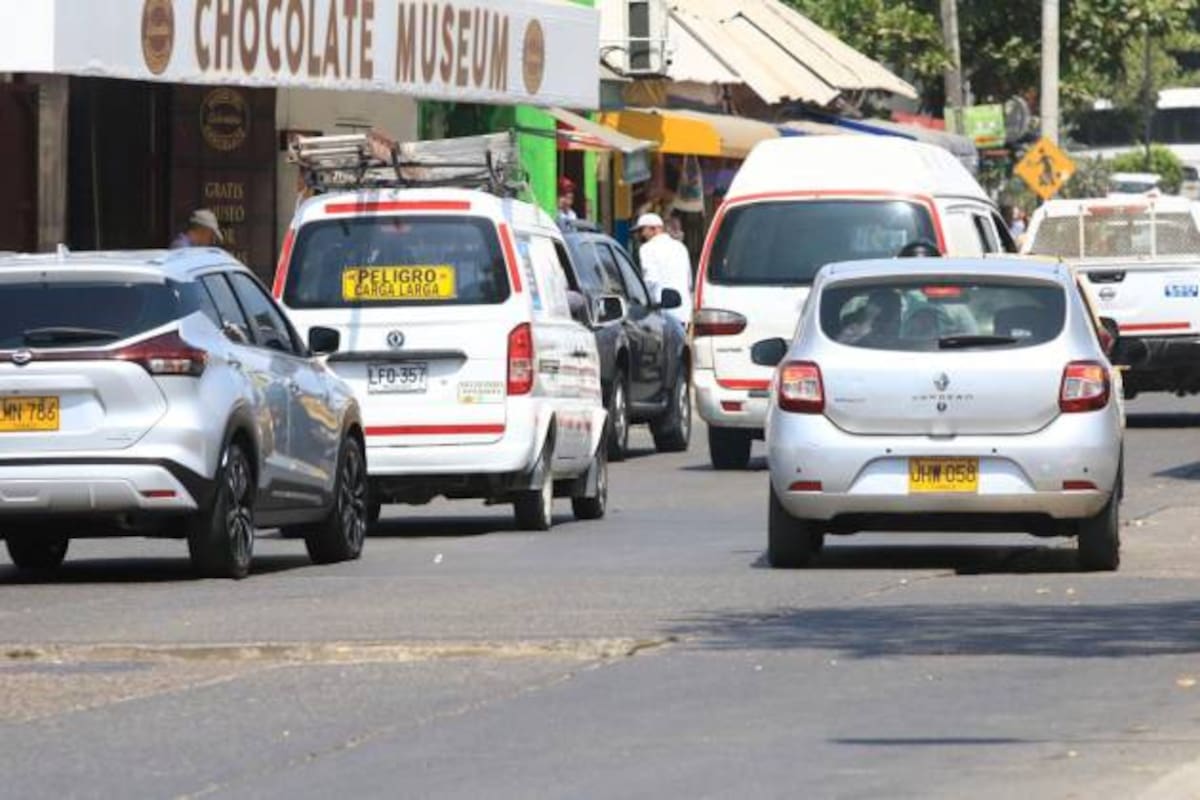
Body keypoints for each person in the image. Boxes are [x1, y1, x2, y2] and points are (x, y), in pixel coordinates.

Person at [634, 212, 692, 326]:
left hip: (662, 314)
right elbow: (689, 281)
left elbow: (650, 280)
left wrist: (642, 305)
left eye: (642, 230)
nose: (640, 235)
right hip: (684, 313)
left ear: (654, 229)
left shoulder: (646, 249)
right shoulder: (680, 247)